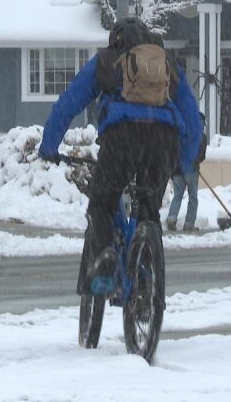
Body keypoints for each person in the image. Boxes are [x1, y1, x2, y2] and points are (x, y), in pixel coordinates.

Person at [38, 17, 203, 296]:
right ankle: (147, 282)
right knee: (149, 212)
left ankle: (105, 260)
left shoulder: (108, 61)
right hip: (163, 141)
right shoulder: (166, 66)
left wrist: (49, 146)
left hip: (122, 137)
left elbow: (68, 103)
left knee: (102, 204)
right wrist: (183, 161)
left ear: (116, 40)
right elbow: (192, 118)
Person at [166, 113, 207, 231]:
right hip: (191, 170)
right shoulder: (201, 137)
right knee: (193, 197)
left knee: (177, 196)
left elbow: (174, 150)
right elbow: (201, 156)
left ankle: (171, 218)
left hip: (177, 170)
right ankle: (189, 223)